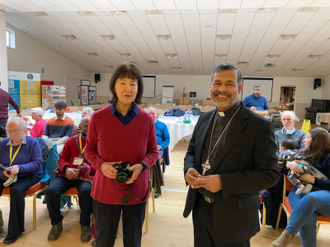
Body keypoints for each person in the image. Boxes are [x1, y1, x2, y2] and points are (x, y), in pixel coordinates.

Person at [183, 63, 280, 247]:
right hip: (200, 209)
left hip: (234, 216)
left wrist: (223, 182)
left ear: (240, 88)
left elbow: (270, 174)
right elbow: (191, 152)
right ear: (211, 85)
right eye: (217, 83)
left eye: (229, 84)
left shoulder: (259, 125)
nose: (222, 89)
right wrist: (189, 169)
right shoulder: (204, 118)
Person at [84, 63, 158, 247]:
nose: (128, 88)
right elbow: (89, 150)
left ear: (138, 88)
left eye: (133, 83)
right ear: (113, 86)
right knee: (104, 240)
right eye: (123, 82)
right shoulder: (98, 118)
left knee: (133, 241)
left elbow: (153, 152)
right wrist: (102, 165)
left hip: (137, 188)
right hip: (105, 189)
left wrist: (141, 166)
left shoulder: (146, 119)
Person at [271, 127, 330, 247]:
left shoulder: (328, 158)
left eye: (308, 137)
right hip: (298, 190)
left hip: (323, 194)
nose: (304, 140)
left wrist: (312, 180)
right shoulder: (301, 153)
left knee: (310, 199)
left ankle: (287, 234)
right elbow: (281, 168)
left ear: (316, 142)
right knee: (307, 214)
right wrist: (289, 164)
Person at [46, 117, 94, 242]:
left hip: (85, 177)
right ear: (80, 127)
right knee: (51, 190)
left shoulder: (98, 142)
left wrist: (84, 170)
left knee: (87, 191)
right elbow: (62, 159)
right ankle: (56, 223)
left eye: (90, 126)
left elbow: (99, 164)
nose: (88, 129)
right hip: (68, 175)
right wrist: (67, 169)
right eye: (85, 126)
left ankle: (85, 224)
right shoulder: (72, 141)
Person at [0, 117, 43, 244]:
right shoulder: (3, 144)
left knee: (16, 190)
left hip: (29, 174)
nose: (13, 134)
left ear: (24, 130)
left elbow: (37, 163)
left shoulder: (32, 143)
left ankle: (15, 230)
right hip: (7, 175)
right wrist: (3, 171)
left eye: (16, 130)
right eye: (10, 131)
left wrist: (20, 168)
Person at [147, 106, 169, 198]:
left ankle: (155, 187)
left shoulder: (162, 125)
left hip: (157, 150)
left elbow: (167, 139)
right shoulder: (143, 124)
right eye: (149, 114)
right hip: (146, 149)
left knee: (153, 162)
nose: (151, 115)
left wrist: (161, 146)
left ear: (157, 115)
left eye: (153, 113)